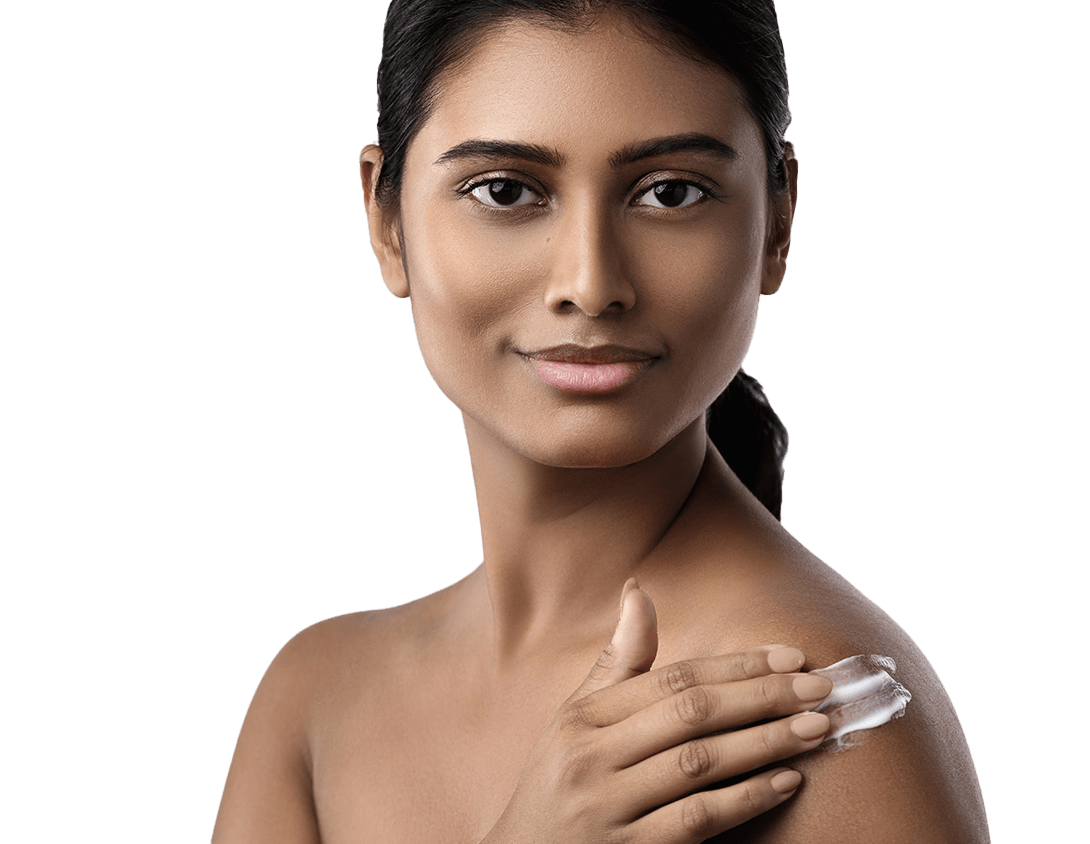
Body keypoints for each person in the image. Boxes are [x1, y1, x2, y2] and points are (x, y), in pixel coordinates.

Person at [212, 1, 990, 841]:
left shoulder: (820, 717)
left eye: (669, 192)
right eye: (505, 191)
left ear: (778, 219)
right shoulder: (317, 695)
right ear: (386, 220)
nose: (590, 282)